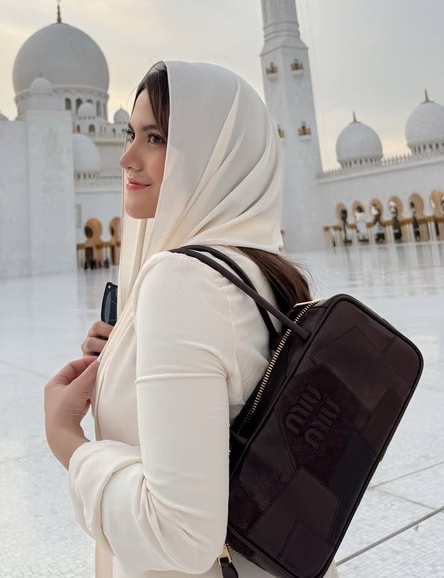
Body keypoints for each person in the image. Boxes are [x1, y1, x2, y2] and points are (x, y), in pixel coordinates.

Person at [44, 61, 339, 578]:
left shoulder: (181, 280)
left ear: (212, 157)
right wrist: (128, 357)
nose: (127, 158)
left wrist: (65, 438)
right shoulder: (262, 268)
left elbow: (180, 536)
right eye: (130, 134)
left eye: (155, 138)